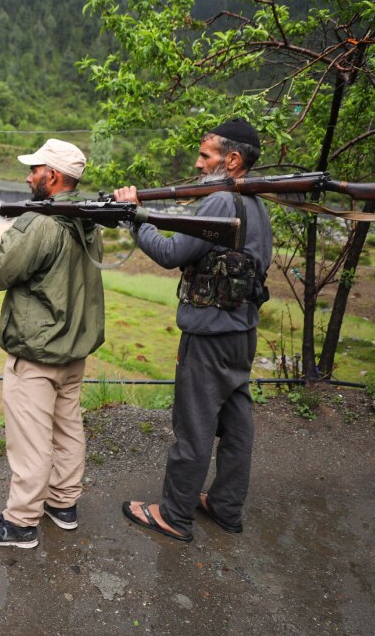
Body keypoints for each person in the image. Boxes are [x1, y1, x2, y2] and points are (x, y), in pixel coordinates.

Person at [115, 118, 272, 543]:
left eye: (206, 155)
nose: (199, 164)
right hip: (242, 333)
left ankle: (175, 514)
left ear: (232, 160)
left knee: (194, 426)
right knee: (237, 425)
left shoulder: (220, 202)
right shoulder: (258, 204)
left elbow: (170, 253)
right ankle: (225, 506)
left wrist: (135, 217)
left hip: (207, 337)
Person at [0, 139, 106, 549]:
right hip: (72, 349)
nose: (27, 176)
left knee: (30, 440)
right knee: (67, 429)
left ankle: (21, 522)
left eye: (34, 170)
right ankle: (63, 503)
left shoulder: (40, 222)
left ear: (53, 177)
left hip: (37, 353)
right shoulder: (88, 220)